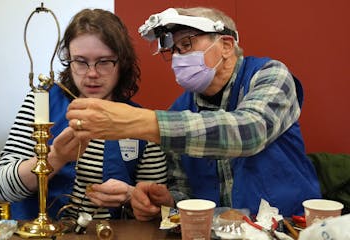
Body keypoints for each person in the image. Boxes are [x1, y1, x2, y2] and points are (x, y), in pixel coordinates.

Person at [65, 7, 322, 218]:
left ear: (226, 45)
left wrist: (139, 122)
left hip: (288, 226)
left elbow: (249, 131)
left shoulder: (270, 75)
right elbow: (184, 191)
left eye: (186, 44)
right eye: (173, 49)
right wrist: (166, 201)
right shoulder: (180, 109)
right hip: (219, 231)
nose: (178, 57)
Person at [0, 8, 167, 221]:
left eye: (104, 62)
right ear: (68, 59)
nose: (92, 73)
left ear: (121, 62)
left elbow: (157, 208)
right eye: (81, 61)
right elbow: (3, 189)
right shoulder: (41, 104)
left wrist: (131, 197)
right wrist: (55, 158)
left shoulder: (141, 120)